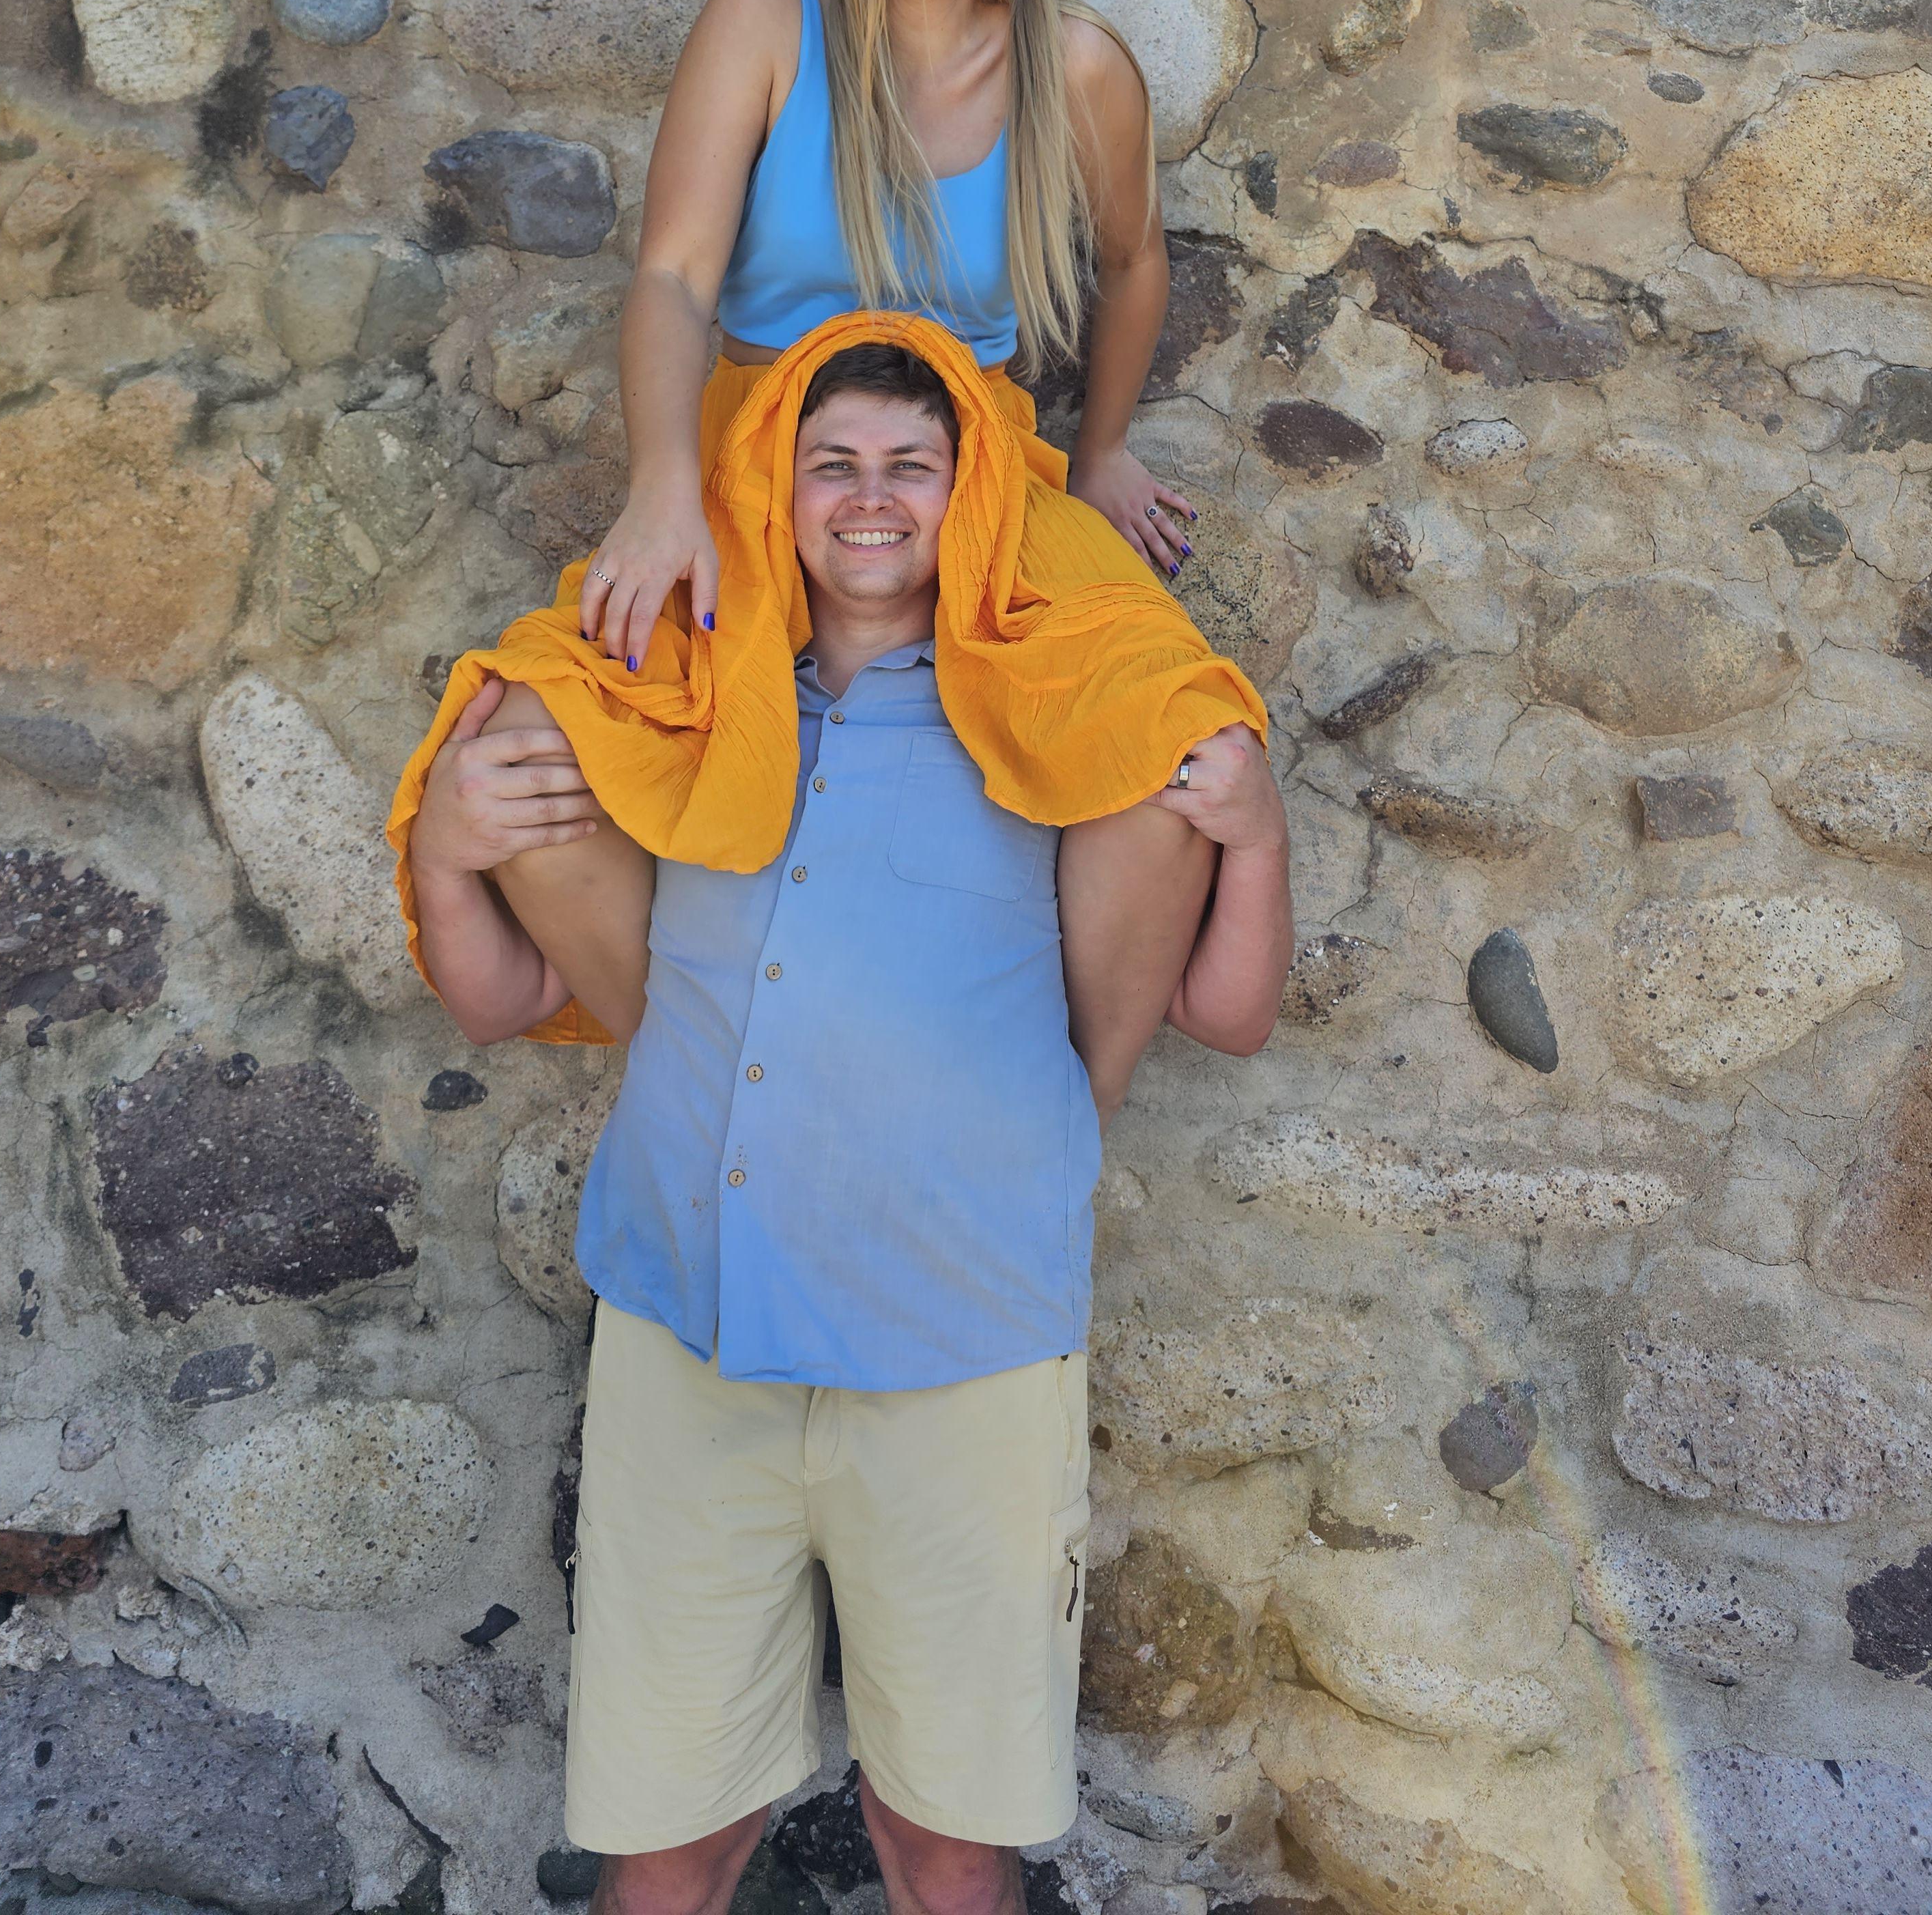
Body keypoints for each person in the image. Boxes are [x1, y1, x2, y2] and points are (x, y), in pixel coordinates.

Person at [403, 337, 1294, 1915]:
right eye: (832, 463)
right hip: (692, 1337)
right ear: (774, 487)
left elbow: (1225, 1011)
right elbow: (498, 997)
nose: (868, 497)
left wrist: (1259, 830)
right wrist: (444, 851)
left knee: (944, 1848)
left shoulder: (1051, 712)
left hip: (960, 1347)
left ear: (970, 496)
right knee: (667, 1844)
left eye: (909, 466)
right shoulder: (678, 700)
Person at [386, 0, 1264, 1043]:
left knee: (1176, 729)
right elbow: (673, 276)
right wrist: (663, 491)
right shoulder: (766, 19)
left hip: (969, 470)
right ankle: (702, 1075)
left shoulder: (1079, 70)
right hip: (756, 454)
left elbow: (1136, 261)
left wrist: (1099, 456)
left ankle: (1065, 1106)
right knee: (518, 737)